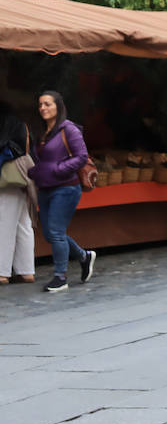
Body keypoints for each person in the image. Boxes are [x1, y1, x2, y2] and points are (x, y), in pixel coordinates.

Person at [30, 91, 95, 292]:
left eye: (48, 104)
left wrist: (59, 169)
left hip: (66, 188)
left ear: (58, 106)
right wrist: (36, 171)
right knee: (50, 234)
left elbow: (81, 156)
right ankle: (84, 257)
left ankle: (60, 277)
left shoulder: (69, 129)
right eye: (40, 105)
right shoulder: (43, 132)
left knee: (56, 232)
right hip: (46, 188)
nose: (43, 108)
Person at [0, 100, 35, 285]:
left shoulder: (4, 125)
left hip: (8, 181)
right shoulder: (22, 125)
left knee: (4, 224)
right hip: (23, 177)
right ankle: (26, 271)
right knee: (23, 224)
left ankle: (2, 272)